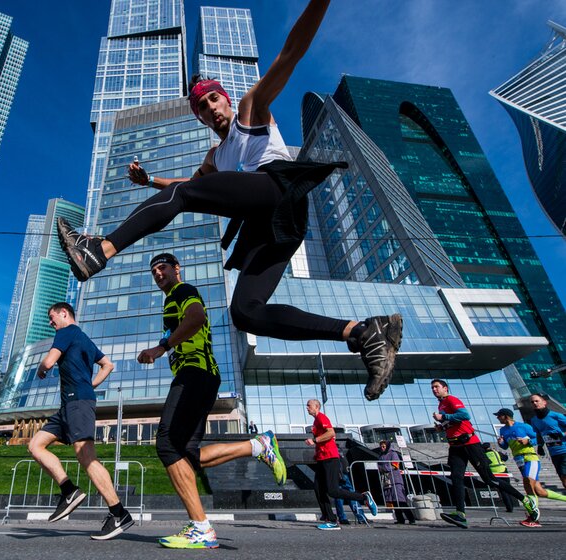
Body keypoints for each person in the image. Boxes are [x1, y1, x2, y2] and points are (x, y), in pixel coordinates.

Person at [57, 0, 402, 402]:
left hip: (277, 188)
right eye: (202, 108)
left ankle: (99, 249)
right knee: (246, 312)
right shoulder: (215, 157)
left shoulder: (249, 110)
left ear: (224, 98)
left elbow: (291, 52)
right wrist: (150, 179)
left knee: (184, 196)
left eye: (213, 100)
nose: (210, 109)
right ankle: (362, 333)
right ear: (200, 118)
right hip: (275, 227)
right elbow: (186, 184)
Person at [136, 253, 286, 549]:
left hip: (196, 372)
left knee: (167, 445)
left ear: (177, 269)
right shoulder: (170, 301)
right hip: (201, 376)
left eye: (162, 267)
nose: (157, 273)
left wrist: (161, 347)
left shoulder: (183, 291)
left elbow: (196, 318)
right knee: (188, 455)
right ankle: (258, 446)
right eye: (153, 270)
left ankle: (201, 528)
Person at [27, 302, 133, 541]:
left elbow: (49, 362)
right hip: (68, 405)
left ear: (64, 314)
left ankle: (119, 514)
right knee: (35, 445)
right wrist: (92, 384)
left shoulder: (66, 332)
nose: (51, 322)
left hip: (78, 403)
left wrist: (41, 369)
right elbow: (108, 364)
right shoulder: (83, 338)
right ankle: (69, 490)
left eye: (52, 317)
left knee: (86, 457)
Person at [430, 380, 537, 529]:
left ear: (445, 388)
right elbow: (453, 422)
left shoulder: (451, 399)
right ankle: (460, 514)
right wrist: (441, 427)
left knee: (489, 479)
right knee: (456, 478)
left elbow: (464, 415)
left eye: (437, 387)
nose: (434, 389)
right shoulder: (441, 404)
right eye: (432, 388)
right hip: (455, 446)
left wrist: (444, 418)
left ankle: (525, 500)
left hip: (470, 444)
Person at [305, 399, 377, 530]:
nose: (306, 408)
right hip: (322, 459)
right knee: (318, 489)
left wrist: (314, 440)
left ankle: (363, 497)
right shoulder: (316, 421)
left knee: (332, 491)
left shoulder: (321, 417)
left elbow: (331, 433)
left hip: (330, 459)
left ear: (316, 407)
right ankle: (330, 520)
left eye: (309, 405)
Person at [495, 407, 566, 527]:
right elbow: (505, 447)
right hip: (519, 461)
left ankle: (532, 516)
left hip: (530, 458)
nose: (497, 418)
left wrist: (527, 441)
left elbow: (537, 438)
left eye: (499, 416)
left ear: (506, 416)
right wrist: (501, 443)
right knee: (540, 491)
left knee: (527, 481)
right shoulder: (502, 430)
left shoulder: (524, 426)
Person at [528, 393, 566, 489]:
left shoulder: (556, 416)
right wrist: (540, 446)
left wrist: (561, 434)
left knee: (564, 475)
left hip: (565, 449)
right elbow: (539, 433)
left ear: (544, 402)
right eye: (532, 402)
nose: (535, 403)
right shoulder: (534, 420)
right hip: (554, 453)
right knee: (562, 477)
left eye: (537, 401)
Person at [377, 440, 415, 524]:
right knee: (394, 501)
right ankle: (400, 519)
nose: (382, 448)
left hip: (395, 480)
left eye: (384, 446)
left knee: (400, 500)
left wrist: (385, 468)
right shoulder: (381, 455)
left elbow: (395, 465)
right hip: (387, 480)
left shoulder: (393, 454)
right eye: (381, 446)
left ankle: (411, 518)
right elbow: (379, 465)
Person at [332, 455, 367, 525]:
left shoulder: (334, 452)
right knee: (350, 494)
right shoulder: (339, 452)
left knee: (340, 496)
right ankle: (361, 517)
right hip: (342, 475)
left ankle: (343, 518)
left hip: (339, 475)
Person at [481, 442, 514, 513]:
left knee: (503, 491)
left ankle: (509, 507)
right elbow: (505, 458)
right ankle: (512, 505)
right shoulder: (496, 453)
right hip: (503, 471)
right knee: (508, 488)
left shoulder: (484, 455)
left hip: (494, 474)